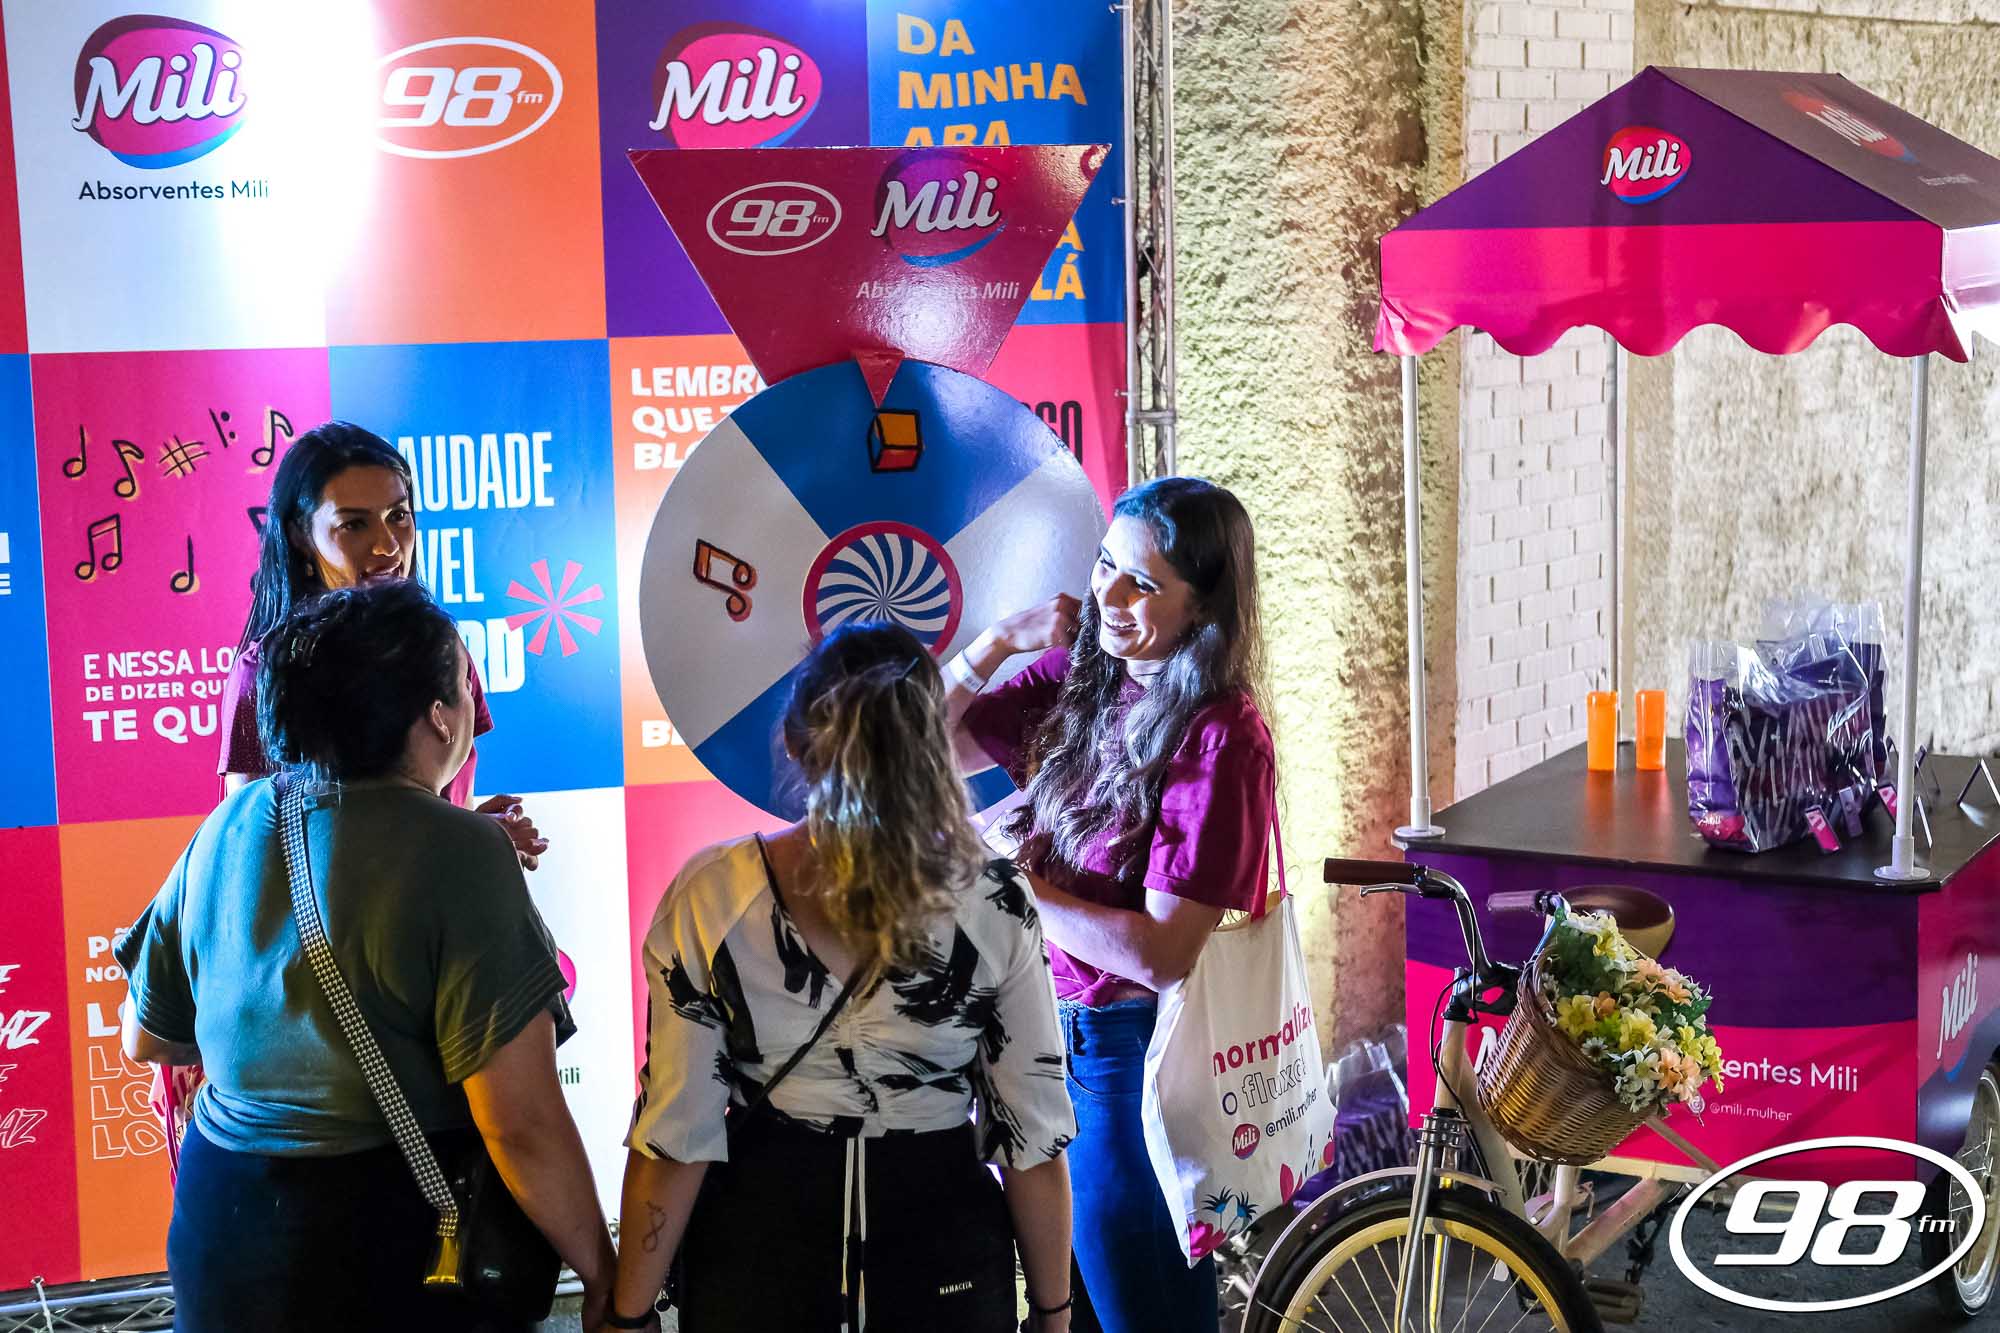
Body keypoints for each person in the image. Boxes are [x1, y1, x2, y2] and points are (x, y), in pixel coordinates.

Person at [115, 580, 616, 1332]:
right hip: (380, 1238)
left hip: (225, 1231)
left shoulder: (230, 823)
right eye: (464, 684)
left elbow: (146, 1037)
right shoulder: (464, 848)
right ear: (440, 715)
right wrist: (605, 1279)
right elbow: (521, 1122)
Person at [601, 621, 1076, 1333]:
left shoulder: (715, 892)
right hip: (941, 1265)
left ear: (795, 743)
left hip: (760, 1264)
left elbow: (676, 1135)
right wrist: (1053, 1312)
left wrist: (629, 1314)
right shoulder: (993, 898)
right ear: (935, 748)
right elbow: (1032, 1141)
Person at [945, 476, 1276, 1333]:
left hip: (1124, 1063)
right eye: (1104, 566)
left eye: (1143, 583)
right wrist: (999, 639)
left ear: (1203, 605)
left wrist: (1013, 876)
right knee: (1070, 1314)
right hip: (1041, 1040)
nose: (1109, 597)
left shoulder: (1221, 733)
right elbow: (925, 741)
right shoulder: (1088, 675)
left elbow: (1161, 953)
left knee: (1141, 1312)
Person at [219, 420, 545, 863]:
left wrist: (480, 836)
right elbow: (249, 856)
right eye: (354, 525)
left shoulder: (444, 648)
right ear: (299, 535)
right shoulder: (266, 671)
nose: (387, 546)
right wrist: (458, 841)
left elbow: (438, 811)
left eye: (398, 516)